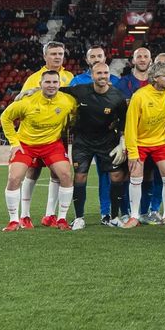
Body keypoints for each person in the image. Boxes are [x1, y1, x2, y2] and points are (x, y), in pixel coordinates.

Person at [120, 59, 165, 228]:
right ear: (155, 78)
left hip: (161, 142)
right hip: (140, 143)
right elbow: (130, 127)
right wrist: (132, 153)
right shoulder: (139, 96)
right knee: (136, 177)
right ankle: (134, 217)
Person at [0, 69, 78, 230]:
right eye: (47, 82)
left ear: (59, 84)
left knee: (66, 175)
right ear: (40, 84)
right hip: (26, 145)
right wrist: (14, 143)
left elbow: (76, 115)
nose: (51, 85)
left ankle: (61, 219)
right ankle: (14, 220)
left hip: (52, 144)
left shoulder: (68, 101)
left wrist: (70, 124)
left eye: (55, 82)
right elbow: (5, 117)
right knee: (14, 178)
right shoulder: (27, 102)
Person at [61, 62, 129, 227]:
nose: (102, 76)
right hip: (82, 141)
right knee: (80, 176)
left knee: (117, 176)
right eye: (99, 73)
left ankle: (114, 217)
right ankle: (79, 218)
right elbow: (57, 90)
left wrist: (122, 140)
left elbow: (123, 121)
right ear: (92, 75)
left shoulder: (117, 97)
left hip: (107, 141)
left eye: (105, 73)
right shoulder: (81, 90)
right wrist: (32, 91)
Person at [13, 41, 73, 227]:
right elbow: (20, 104)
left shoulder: (69, 77)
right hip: (35, 136)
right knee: (33, 171)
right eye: (53, 54)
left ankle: (50, 215)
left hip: (59, 133)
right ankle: (25, 215)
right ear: (45, 56)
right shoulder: (34, 78)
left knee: (58, 173)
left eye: (60, 53)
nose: (57, 57)